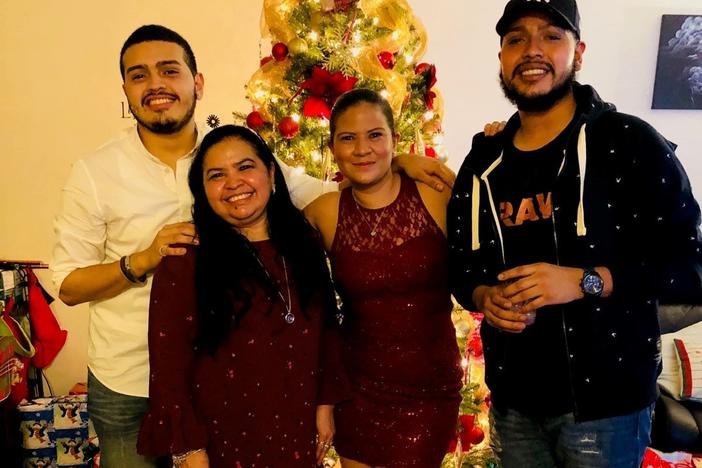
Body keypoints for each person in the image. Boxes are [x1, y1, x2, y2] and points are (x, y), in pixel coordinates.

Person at [50, 24, 453, 467]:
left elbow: (334, 190)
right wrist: (140, 261)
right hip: (126, 379)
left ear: (196, 83)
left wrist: (394, 159)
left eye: (169, 70)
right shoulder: (96, 172)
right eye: (139, 75)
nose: (157, 85)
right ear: (125, 88)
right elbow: (67, 285)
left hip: (249, 397)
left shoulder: (230, 149)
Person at [447, 0, 702, 466]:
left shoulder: (630, 143)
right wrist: (485, 297)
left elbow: (691, 267)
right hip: (513, 404)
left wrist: (586, 279)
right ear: (502, 57)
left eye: (551, 36)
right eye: (516, 38)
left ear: (578, 52)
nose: (532, 50)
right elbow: (463, 268)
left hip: (607, 409)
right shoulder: (482, 163)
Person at [136, 124, 347, 467]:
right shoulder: (186, 258)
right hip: (220, 440)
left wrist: (324, 406)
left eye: (245, 167)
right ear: (202, 191)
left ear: (272, 174)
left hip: (294, 430)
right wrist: (190, 451)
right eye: (216, 175)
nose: (233, 183)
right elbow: (168, 368)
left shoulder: (303, 242)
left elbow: (326, 328)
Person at [305, 89, 462, 468]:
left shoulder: (436, 193)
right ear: (332, 148)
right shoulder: (323, 212)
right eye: (348, 138)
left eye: (375, 135)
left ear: (395, 140)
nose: (362, 149)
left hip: (430, 391)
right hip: (356, 391)